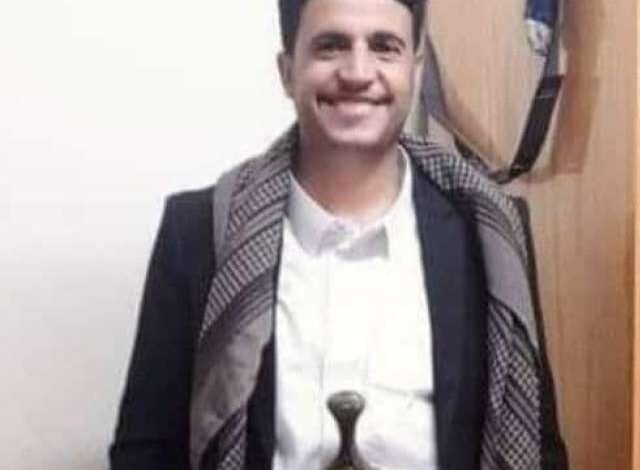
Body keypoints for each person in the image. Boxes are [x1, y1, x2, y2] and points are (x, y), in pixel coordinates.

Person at [109, 0, 567, 469]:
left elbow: (540, 448)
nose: (358, 72)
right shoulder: (197, 232)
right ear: (287, 71)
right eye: (331, 46)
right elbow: (146, 452)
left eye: (384, 47)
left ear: (414, 69)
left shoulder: (489, 235)